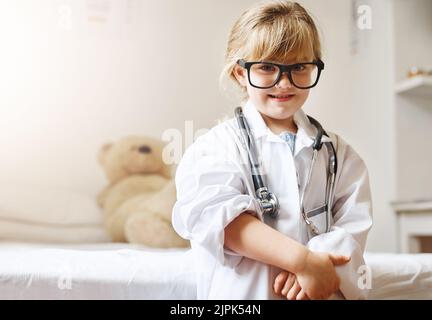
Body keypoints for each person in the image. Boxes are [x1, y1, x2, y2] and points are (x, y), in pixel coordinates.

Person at [172, 0, 373, 300]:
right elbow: (222, 222)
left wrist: (316, 266)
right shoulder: (213, 148)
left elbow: (352, 232)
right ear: (240, 73)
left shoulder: (340, 155)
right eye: (267, 67)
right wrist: (302, 261)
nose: (284, 82)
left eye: (299, 67)